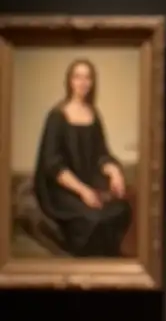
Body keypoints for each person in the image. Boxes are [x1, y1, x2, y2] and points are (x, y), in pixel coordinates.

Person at [32, 58, 132, 257]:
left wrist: (115, 172)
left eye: (87, 77)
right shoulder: (57, 116)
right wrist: (83, 191)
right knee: (92, 218)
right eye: (77, 77)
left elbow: (101, 154)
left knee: (121, 209)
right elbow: (52, 165)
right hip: (62, 187)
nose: (83, 82)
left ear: (93, 82)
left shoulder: (93, 114)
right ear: (69, 81)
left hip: (87, 179)